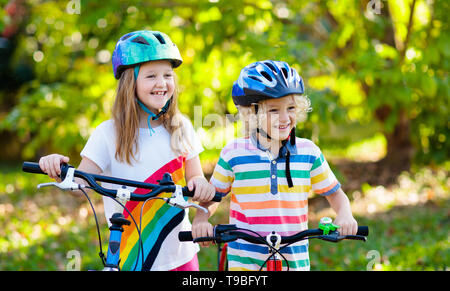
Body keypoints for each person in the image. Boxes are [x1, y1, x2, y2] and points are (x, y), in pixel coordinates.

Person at [38, 30, 215, 271]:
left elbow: (195, 176)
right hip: (129, 254)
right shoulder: (108, 133)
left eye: (167, 75)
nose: (162, 83)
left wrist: (200, 184)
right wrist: (58, 169)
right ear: (130, 83)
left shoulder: (180, 126)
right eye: (151, 76)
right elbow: (81, 186)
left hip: (180, 256)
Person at [192, 60, 358, 271]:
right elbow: (212, 197)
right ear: (251, 115)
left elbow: (335, 194)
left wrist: (345, 214)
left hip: (294, 262)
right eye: (273, 110)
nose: (285, 117)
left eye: (290, 108)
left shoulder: (308, 152)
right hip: (245, 263)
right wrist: (200, 220)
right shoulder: (234, 153)